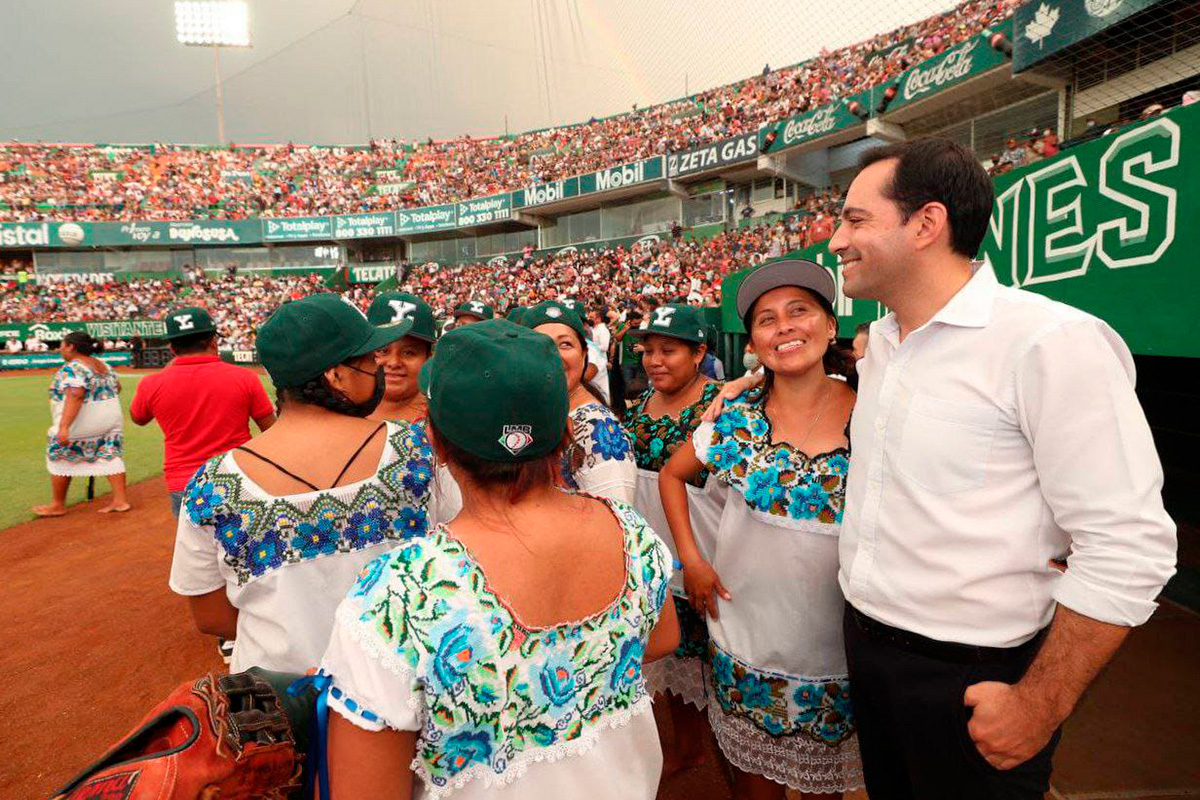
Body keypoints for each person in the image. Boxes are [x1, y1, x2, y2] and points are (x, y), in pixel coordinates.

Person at [827, 137, 1176, 798]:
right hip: (868, 654)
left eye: (854, 219)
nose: (836, 238)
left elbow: (1130, 546)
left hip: (975, 678)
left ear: (926, 224)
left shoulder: (1050, 343)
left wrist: (1040, 705)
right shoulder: (883, 345)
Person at [319, 319, 680, 799]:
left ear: (436, 441)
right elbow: (664, 637)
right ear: (565, 431)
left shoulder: (399, 589)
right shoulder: (629, 531)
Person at [660, 259, 861, 799]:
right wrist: (692, 560)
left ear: (830, 324)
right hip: (745, 635)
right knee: (756, 788)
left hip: (837, 645)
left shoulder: (873, 412)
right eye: (767, 319)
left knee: (826, 790)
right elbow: (673, 477)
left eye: (800, 311)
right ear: (754, 342)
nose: (785, 327)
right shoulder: (734, 416)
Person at [169, 293, 447, 674]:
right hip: (402, 684)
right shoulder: (417, 451)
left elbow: (211, 616)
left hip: (280, 702)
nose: (379, 367)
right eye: (369, 358)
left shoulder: (212, 484)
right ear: (335, 375)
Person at [623, 302, 724, 777]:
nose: (654, 360)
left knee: (718, 675)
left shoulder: (724, 402)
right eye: (648, 350)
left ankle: (725, 762)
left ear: (700, 352)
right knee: (677, 670)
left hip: (706, 561)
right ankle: (687, 749)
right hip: (658, 563)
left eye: (669, 350)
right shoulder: (641, 401)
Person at [130, 306, 275, 518]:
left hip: (184, 480)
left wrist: (167, 373)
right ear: (213, 342)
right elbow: (271, 429)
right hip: (238, 475)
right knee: (249, 547)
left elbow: (138, 417)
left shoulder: (152, 383)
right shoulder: (245, 378)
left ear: (172, 348)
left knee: (195, 550)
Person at [524, 300, 636, 504]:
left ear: (584, 355)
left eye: (565, 344)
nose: (554, 355)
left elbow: (618, 524)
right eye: (539, 344)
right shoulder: (537, 412)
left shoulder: (597, 428)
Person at [33, 331, 130, 516]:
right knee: (110, 454)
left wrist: (64, 426)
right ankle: (120, 500)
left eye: (62, 344)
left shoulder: (73, 367)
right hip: (110, 419)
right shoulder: (104, 365)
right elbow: (117, 387)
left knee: (59, 453)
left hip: (85, 420)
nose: (60, 348)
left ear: (71, 347)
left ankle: (57, 504)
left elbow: (76, 394)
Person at [366, 291, 437, 424]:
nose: (394, 363)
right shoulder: (336, 407)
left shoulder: (442, 422)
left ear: (428, 358)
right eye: (382, 350)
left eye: (409, 352)